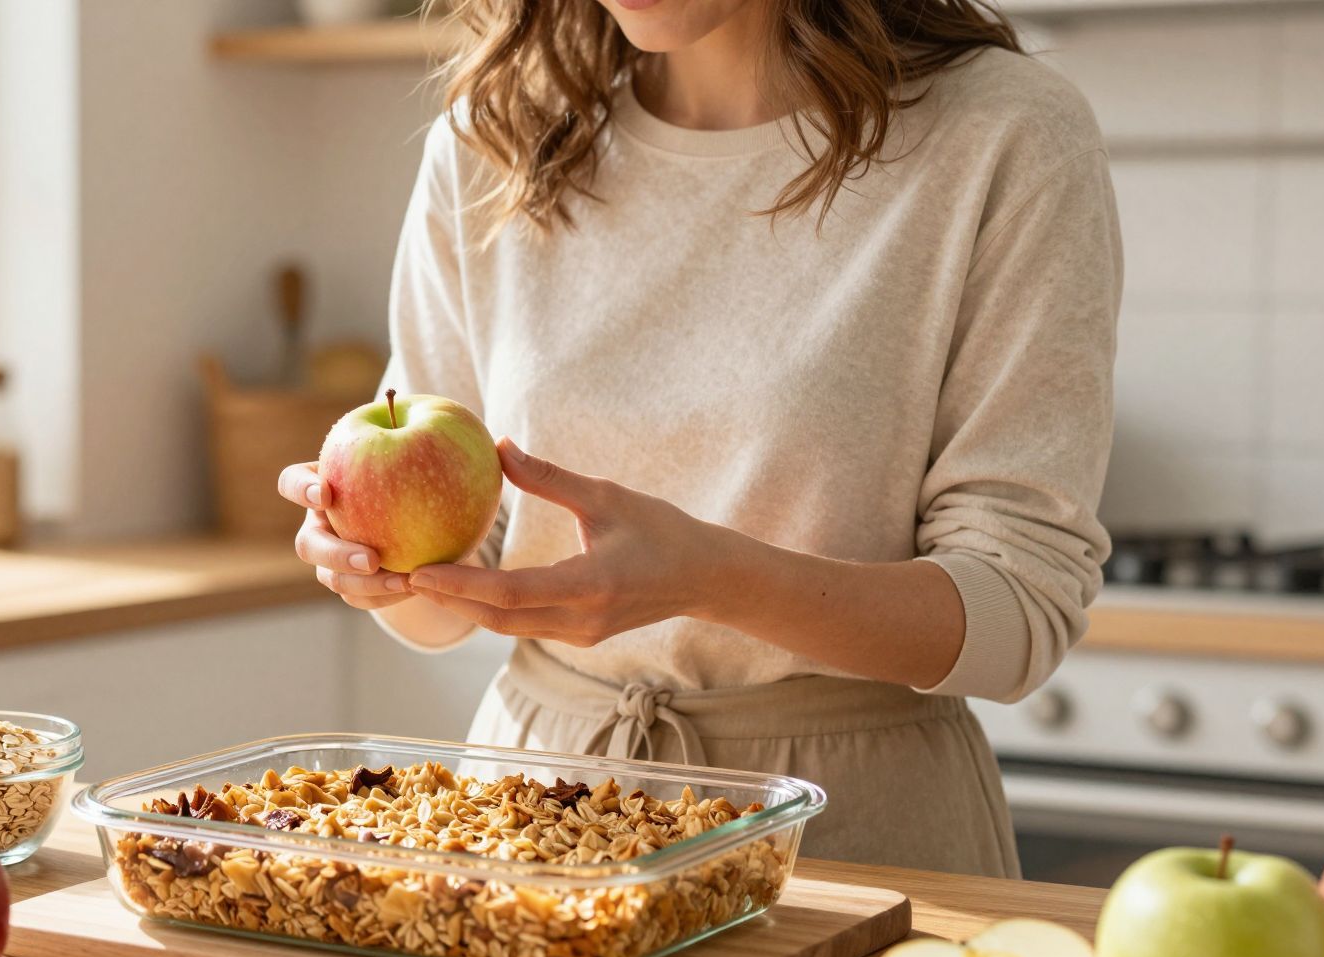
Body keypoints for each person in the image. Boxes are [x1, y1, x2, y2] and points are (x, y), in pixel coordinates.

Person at [279, 0, 1118, 876]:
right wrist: (378, 569)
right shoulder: (495, 135)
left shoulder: (1005, 133)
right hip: (536, 820)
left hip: (853, 834)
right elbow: (456, 587)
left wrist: (708, 580)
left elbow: (1016, 613)